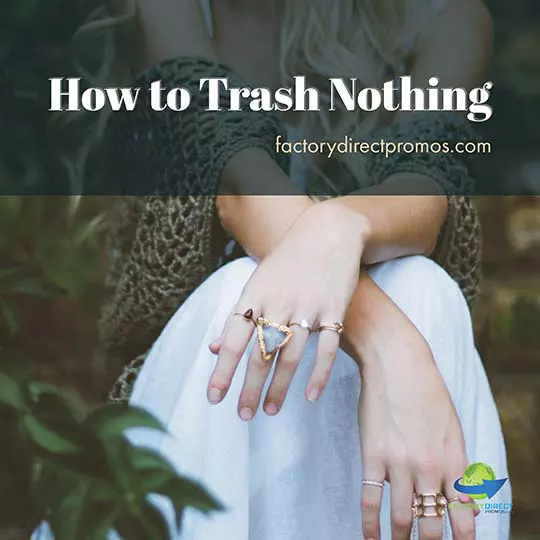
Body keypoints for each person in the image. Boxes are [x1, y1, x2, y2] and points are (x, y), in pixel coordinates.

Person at [71, 0, 511, 538]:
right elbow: (236, 184)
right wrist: (392, 346)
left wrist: (339, 227)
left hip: (354, 405)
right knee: (246, 286)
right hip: (204, 386)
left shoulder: (446, 17)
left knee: (422, 285)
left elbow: (425, 190)